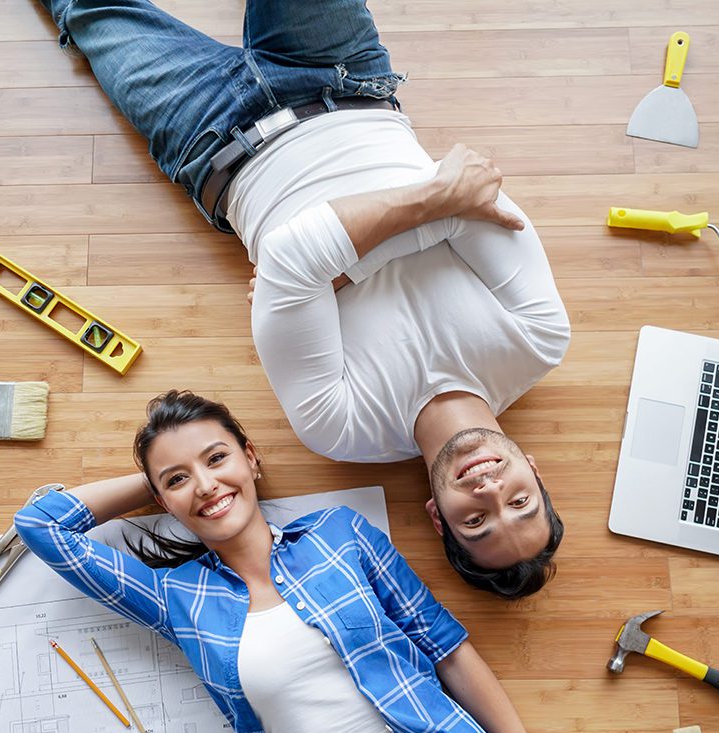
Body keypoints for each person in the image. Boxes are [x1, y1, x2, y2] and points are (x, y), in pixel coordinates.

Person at [36, 0, 571, 597]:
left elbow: (451, 207)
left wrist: (431, 204)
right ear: (535, 473)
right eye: (520, 501)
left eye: (475, 521)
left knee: (86, 6)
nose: (490, 492)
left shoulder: (341, 431)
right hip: (344, 77)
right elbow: (472, 202)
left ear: (437, 514)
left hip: (208, 138)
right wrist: (327, 278)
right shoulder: (539, 341)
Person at [14, 390, 604, 733]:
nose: (205, 484)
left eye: (216, 458)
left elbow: (449, 651)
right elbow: (43, 525)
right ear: (162, 499)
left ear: (251, 457)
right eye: (178, 479)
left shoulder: (341, 534)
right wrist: (154, 483)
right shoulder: (178, 599)